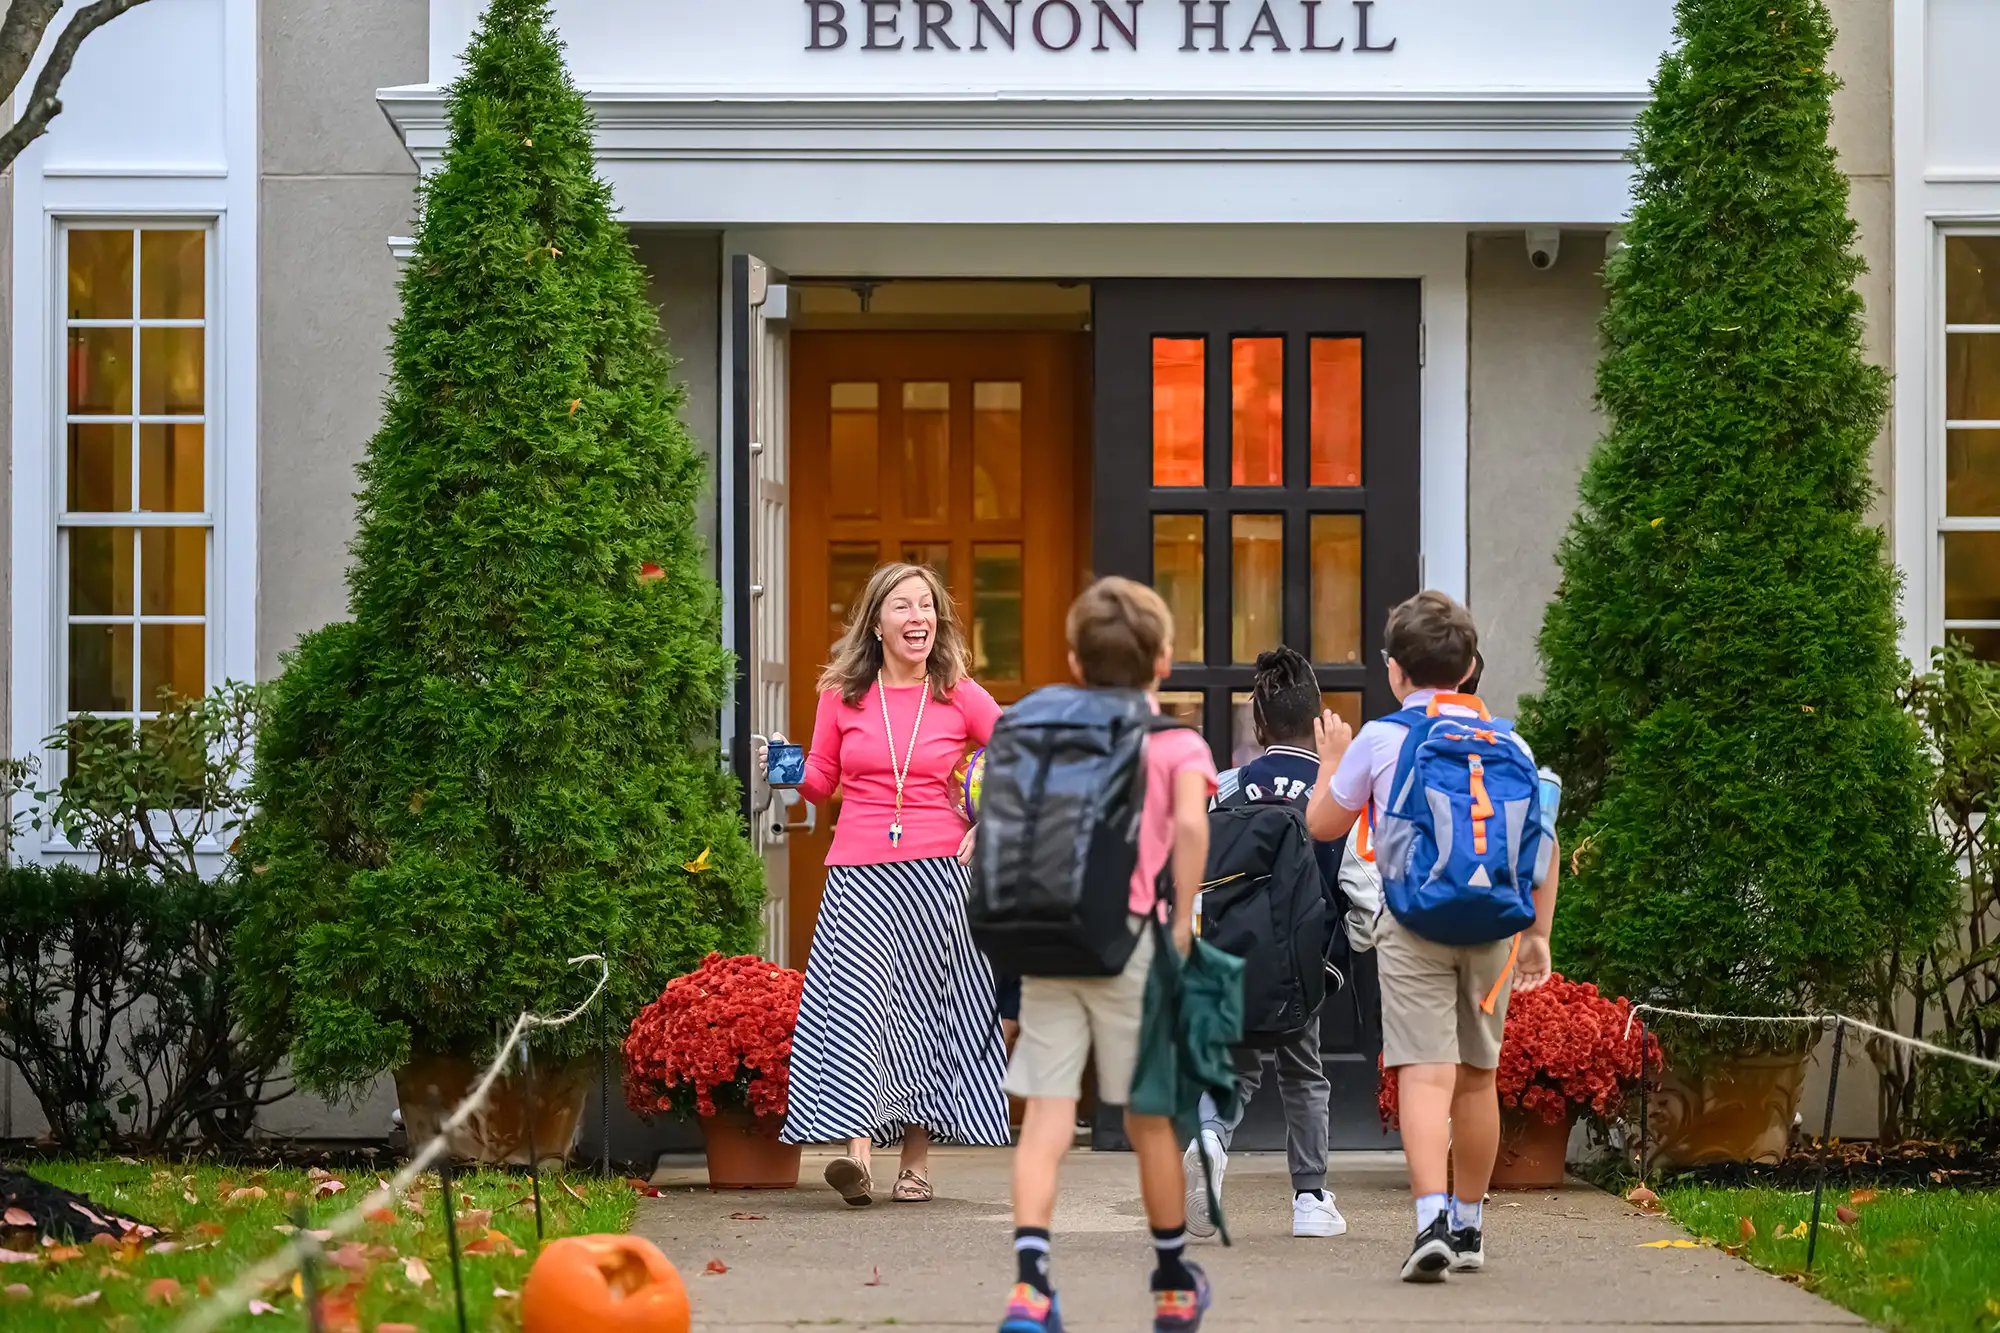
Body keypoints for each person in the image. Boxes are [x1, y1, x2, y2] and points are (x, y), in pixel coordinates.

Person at [1304, 592, 1558, 1282]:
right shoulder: (1512, 743)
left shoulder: (1383, 740)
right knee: (1478, 1078)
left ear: (1394, 672)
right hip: (1494, 927)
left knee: (1422, 1070)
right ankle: (1471, 1226)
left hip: (1413, 923)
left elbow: (1323, 824)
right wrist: (1538, 932)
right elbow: (1545, 841)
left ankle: (1430, 1222)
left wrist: (1330, 759)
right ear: (1471, 665)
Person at [1001, 577, 1219, 1333]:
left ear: (1073, 659)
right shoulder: (1176, 742)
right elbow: (1191, 827)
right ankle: (1169, 1282)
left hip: (1052, 937)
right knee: (1151, 1119)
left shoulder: (1041, 726)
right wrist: (1183, 917)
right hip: (1132, 941)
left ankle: (1031, 1283)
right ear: (1163, 660)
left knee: (1046, 1117)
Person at [776, 562, 1011, 1205]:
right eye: (904, 606)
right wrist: (788, 768)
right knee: (857, 1014)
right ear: (876, 623)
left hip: (940, 878)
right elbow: (822, 781)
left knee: (923, 1021)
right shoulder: (842, 696)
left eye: (928, 606)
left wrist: (990, 825)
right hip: (856, 874)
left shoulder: (959, 692)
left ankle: (916, 1164)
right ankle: (856, 1156)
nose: (919, 617)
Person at [1183, 647, 1348, 1242]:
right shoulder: (1337, 792)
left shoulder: (1228, 789)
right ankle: (1310, 1199)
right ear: (1320, 720)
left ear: (1258, 726)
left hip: (1236, 958)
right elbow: (1357, 879)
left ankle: (1207, 1141)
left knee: (1235, 1067)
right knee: (1304, 1074)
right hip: (1304, 963)